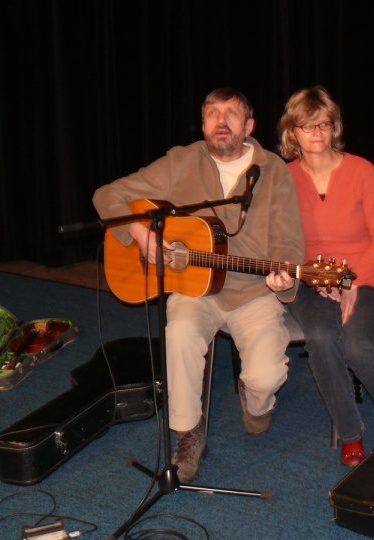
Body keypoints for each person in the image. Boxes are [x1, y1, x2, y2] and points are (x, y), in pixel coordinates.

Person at [93, 87, 305, 482]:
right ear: (203, 123)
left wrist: (283, 278)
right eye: (211, 113)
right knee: (181, 334)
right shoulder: (182, 161)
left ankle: (255, 401)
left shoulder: (273, 171)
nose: (220, 121)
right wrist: (142, 236)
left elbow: (291, 245)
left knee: (265, 377)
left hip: (253, 293)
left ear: (249, 126)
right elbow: (107, 195)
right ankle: (189, 433)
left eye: (231, 113)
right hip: (194, 289)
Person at [277, 86, 374, 467]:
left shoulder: (361, 170)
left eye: (324, 124)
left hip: (364, 271)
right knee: (320, 338)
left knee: (356, 345)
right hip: (310, 280)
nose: (316, 133)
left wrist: (351, 282)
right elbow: (282, 238)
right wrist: (316, 278)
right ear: (293, 133)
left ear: (334, 129)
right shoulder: (284, 178)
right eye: (306, 125)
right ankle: (350, 434)